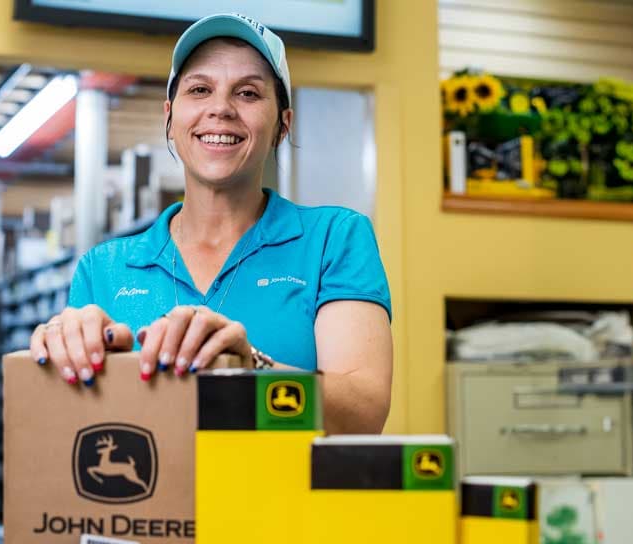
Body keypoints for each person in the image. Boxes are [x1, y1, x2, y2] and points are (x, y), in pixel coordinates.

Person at [30, 13, 392, 434]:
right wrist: (63, 352)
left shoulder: (334, 239)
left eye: (249, 93)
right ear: (170, 114)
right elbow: (76, 425)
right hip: (149, 500)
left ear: (282, 125)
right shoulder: (104, 268)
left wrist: (251, 370)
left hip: (285, 500)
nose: (220, 108)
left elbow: (364, 412)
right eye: (200, 90)